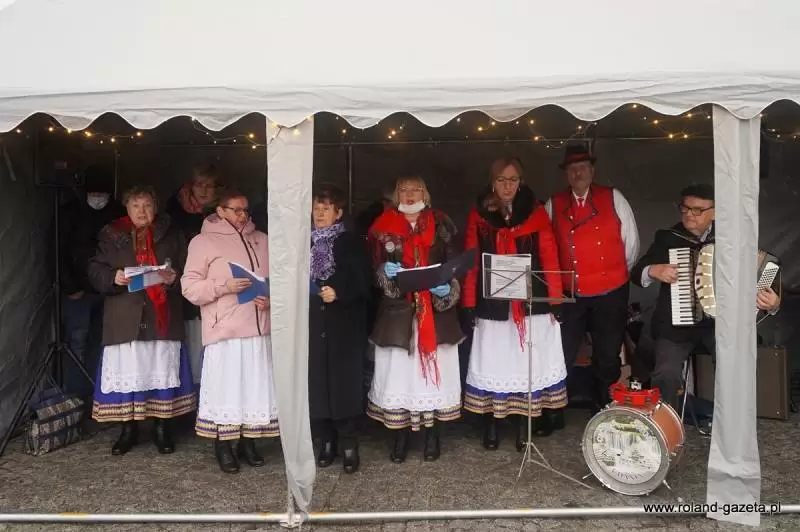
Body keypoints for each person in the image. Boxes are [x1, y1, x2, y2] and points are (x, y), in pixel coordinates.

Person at [630, 183, 781, 410]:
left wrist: (773, 303)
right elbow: (636, 273)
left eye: (697, 210)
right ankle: (668, 424)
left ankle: (731, 422)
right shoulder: (668, 238)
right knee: (665, 373)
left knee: (734, 368)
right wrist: (653, 270)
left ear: (715, 212)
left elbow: (764, 273)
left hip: (720, 326)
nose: (689, 214)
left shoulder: (733, 238)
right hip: (676, 327)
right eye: (685, 208)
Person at [462, 157, 568, 449]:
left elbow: (549, 255)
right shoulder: (479, 214)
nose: (507, 186)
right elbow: (471, 260)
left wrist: (555, 299)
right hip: (493, 303)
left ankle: (524, 424)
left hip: (530, 301)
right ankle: (492, 423)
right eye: (501, 180)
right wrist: (468, 302)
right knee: (495, 361)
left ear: (521, 182)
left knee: (526, 364)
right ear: (492, 182)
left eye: (513, 180)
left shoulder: (536, 212)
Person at [88, 185, 195, 455]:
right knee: (130, 370)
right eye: (135, 205)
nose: (141, 211)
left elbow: (188, 266)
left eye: (147, 205)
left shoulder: (172, 232)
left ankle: (162, 428)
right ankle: (129, 429)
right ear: (127, 208)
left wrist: (175, 276)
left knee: (160, 369)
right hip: (125, 314)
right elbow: (95, 267)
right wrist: (113, 277)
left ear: (155, 207)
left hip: (162, 314)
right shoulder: (111, 233)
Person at [366, 175, 464, 463]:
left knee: (432, 377)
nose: (409, 194)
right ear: (396, 194)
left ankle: (432, 435)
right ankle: (400, 436)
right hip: (398, 313)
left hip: (435, 312)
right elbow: (371, 268)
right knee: (400, 375)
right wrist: (384, 272)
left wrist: (448, 285)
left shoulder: (442, 224)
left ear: (425, 193)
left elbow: (455, 264)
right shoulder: (382, 227)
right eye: (403, 189)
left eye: (416, 189)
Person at [181, 188, 278, 474]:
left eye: (245, 209)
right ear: (220, 211)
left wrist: (270, 298)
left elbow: (277, 279)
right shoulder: (203, 241)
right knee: (227, 389)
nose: (242, 215)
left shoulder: (262, 240)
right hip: (225, 329)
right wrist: (224, 287)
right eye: (236, 210)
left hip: (259, 328)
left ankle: (249, 442)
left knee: (253, 388)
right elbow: (189, 287)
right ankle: (223, 444)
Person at [545, 143, 640, 416]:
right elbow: (547, 249)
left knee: (607, 355)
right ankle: (556, 410)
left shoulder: (613, 198)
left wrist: (612, 275)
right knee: (562, 352)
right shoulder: (554, 204)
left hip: (610, 292)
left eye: (583, 167)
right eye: (572, 169)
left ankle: (604, 407)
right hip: (570, 294)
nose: (578, 173)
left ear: (592, 170)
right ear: (566, 174)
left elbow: (631, 245)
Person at [308, 184, 370, 473]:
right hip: (314, 322)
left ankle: (348, 443)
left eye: (326, 208)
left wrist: (340, 292)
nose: (319, 213)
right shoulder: (304, 242)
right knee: (317, 384)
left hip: (344, 324)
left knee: (344, 384)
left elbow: (364, 281)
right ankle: (326, 442)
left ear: (338, 213)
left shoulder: (350, 242)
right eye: (316, 208)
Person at [59, 163, 125, 397]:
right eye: (93, 193)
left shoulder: (118, 213)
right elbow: (58, 250)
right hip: (80, 290)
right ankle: (76, 397)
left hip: (109, 291)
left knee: (103, 342)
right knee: (76, 341)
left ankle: (99, 395)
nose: (97, 197)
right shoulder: (70, 213)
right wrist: (70, 287)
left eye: (102, 193)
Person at [165, 164, 220, 387]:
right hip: (184, 285)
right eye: (199, 184)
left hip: (217, 287)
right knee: (189, 342)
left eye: (210, 185)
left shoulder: (224, 213)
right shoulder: (174, 213)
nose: (204, 190)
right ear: (191, 184)